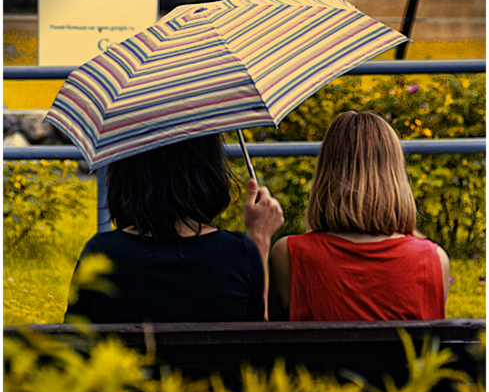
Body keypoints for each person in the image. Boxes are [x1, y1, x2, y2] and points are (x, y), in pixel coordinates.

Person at [65, 134, 284, 324]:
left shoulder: (101, 255)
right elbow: (258, 346)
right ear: (209, 166)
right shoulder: (239, 255)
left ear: (125, 168)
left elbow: (73, 345)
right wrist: (259, 239)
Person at [268, 110, 450, 322]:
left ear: (326, 173)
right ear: (395, 176)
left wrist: (260, 240)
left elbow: (268, 340)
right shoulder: (433, 260)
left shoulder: (288, 255)